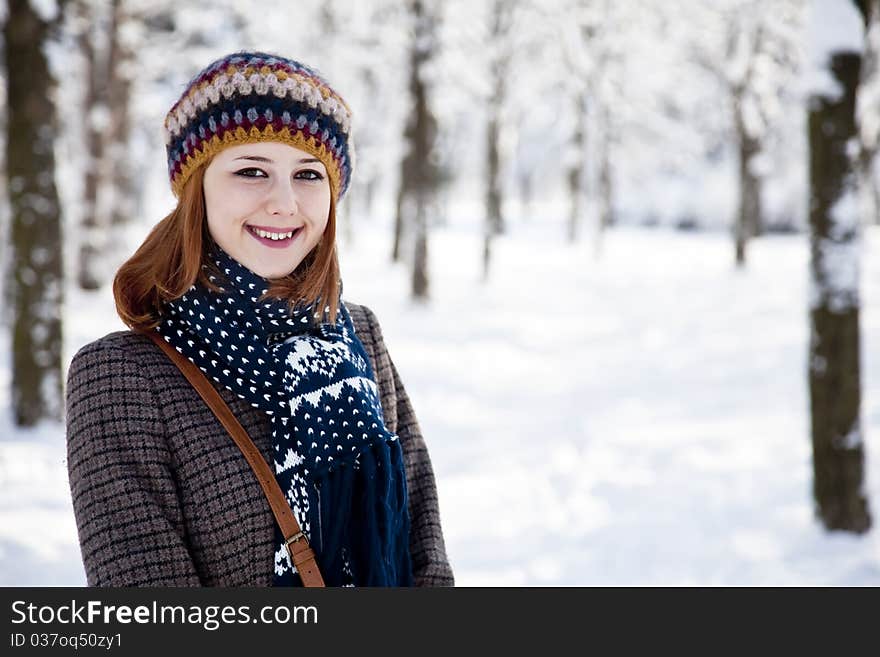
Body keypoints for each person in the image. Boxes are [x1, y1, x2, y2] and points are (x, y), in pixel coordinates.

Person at [65, 51, 454, 587]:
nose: (284, 203)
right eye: (251, 171)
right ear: (195, 189)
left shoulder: (360, 333)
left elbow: (423, 547)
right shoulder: (120, 377)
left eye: (308, 174)